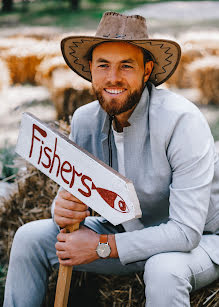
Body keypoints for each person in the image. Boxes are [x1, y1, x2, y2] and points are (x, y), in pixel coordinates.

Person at [4, 11, 219, 307]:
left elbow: (185, 232)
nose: (113, 77)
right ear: (90, 68)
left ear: (147, 70)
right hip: (127, 235)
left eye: (126, 66)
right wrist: (62, 208)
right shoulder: (84, 120)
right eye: (103, 65)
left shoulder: (182, 121)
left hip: (200, 241)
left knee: (163, 270)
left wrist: (103, 247)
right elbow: (76, 191)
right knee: (29, 238)